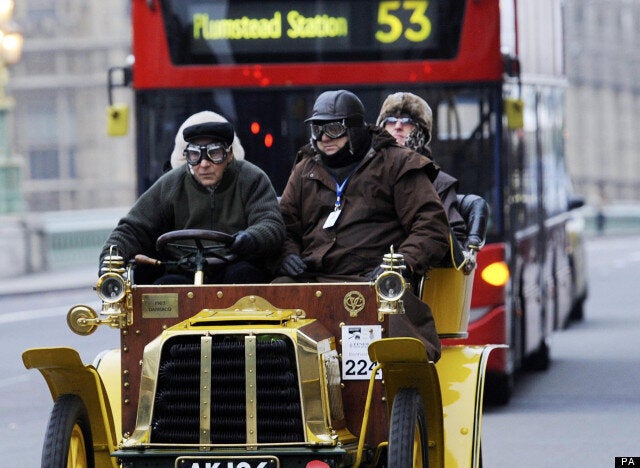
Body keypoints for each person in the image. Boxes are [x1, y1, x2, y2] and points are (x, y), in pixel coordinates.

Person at [278, 90, 451, 361]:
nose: (324, 138)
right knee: (268, 303)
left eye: (334, 129)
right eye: (317, 128)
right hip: (312, 278)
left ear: (356, 130)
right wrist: (287, 254)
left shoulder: (399, 163)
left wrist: (399, 263)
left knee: (403, 342)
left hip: (374, 279)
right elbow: (285, 224)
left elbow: (431, 225)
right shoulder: (305, 168)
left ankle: (406, 388)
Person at [100, 112, 285, 284]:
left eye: (214, 154)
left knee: (245, 276)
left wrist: (251, 238)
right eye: (195, 155)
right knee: (162, 289)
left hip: (235, 266)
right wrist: (110, 262)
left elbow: (271, 223)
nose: (204, 164)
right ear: (187, 157)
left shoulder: (251, 178)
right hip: (181, 271)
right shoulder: (170, 184)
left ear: (229, 155)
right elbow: (132, 228)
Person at [376, 92, 467, 244]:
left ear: (422, 132)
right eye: (391, 120)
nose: (398, 126)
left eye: (407, 121)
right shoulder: (364, 175)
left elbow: (453, 239)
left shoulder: (440, 183)